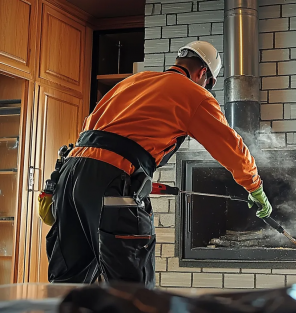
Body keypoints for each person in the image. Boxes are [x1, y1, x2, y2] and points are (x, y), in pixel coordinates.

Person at [43, 41, 273, 288]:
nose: (206, 87)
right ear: (203, 73)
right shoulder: (194, 94)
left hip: (69, 177)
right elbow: (231, 148)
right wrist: (255, 188)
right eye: (208, 83)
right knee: (132, 289)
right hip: (112, 181)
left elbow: (97, 136)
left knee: (67, 283)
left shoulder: (133, 81)